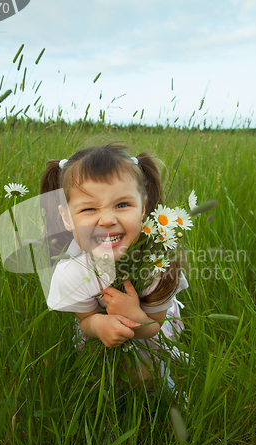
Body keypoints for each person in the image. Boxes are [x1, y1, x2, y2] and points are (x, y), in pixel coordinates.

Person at [40, 142, 189, 393]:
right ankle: (109, 405)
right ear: (66, 217)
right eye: (88, 208)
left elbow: (155, 326)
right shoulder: (73, 272)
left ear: (143, 207)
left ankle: (164, 387)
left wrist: (135, 315)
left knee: (146, 373)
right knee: (102, 375)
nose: (108, 220)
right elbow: (86, 319)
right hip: (101, 330)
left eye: (122, 205)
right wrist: (99, 326)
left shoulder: (159, 267)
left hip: (150, 327)